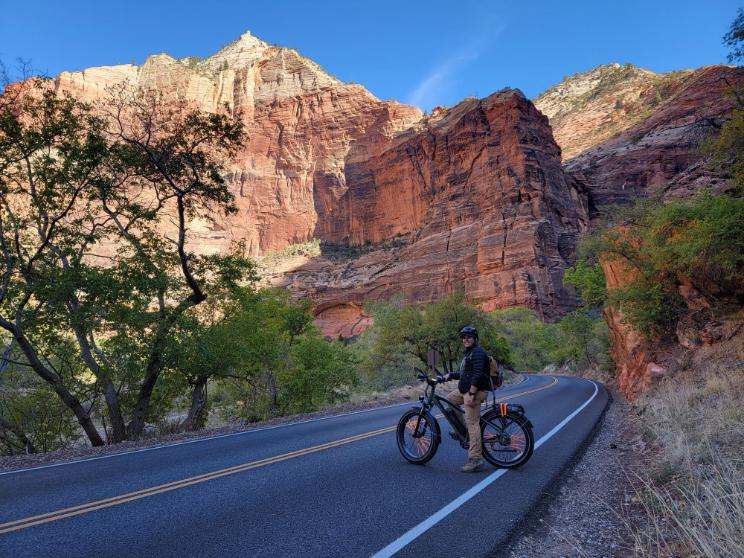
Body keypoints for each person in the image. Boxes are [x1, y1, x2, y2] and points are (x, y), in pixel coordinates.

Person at [443, 325, 491, 472]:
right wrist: (450, 375)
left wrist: (471, 394)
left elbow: (477, 374)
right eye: (464, 337)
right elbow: (466, 374)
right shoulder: (469, 353)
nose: (466, 339)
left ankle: (475, 460)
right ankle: (464, 431)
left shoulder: (477, 352)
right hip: (465, 390)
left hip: (475, 392)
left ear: (475, 338)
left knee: (473, 423)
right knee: (450, 399)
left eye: (469, 337)